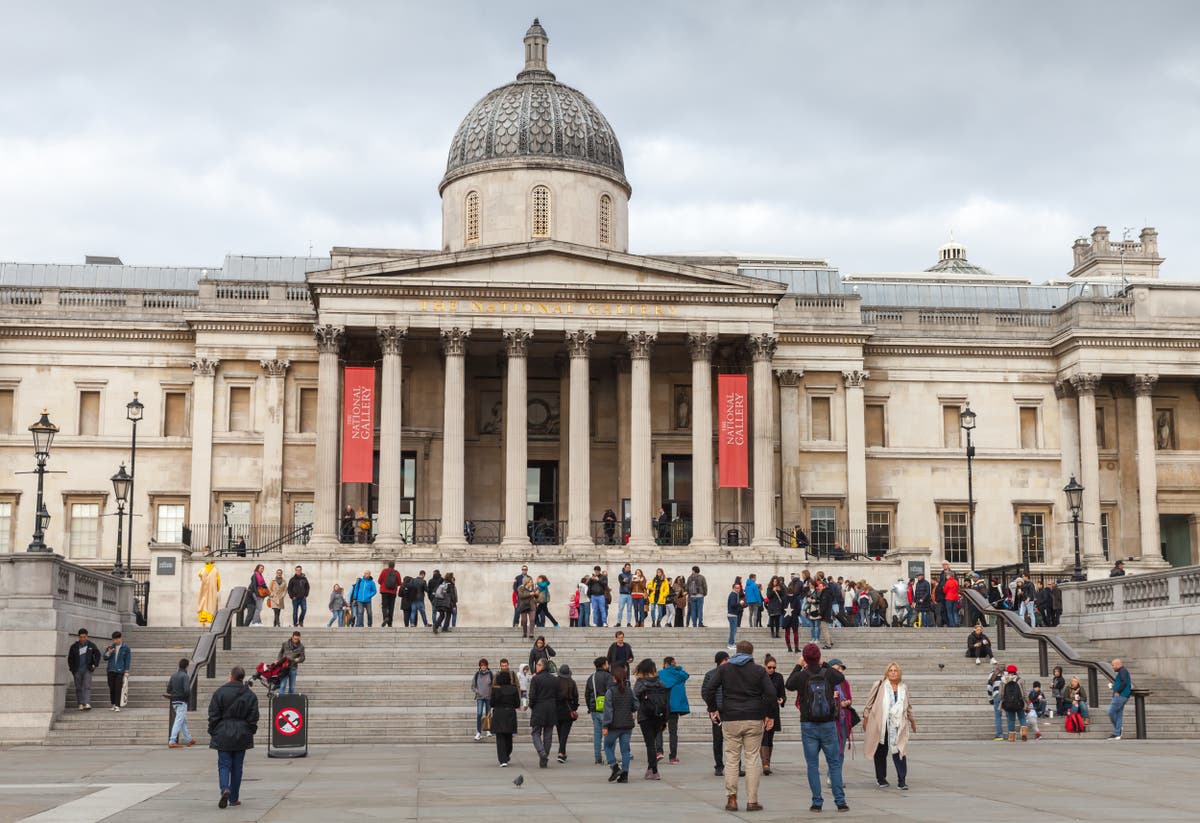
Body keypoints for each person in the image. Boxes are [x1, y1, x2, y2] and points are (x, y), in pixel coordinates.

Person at [703, 640, 775, 813]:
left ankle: (732, 799)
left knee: (732, 759)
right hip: (753, 717)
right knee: (751, 759)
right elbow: (771, 693)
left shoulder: (724, 669)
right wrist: (769, 715)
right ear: (751, 654)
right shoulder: (758, 670)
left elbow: (709, 690)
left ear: (736, 652)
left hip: (730, 717)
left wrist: (713, 709)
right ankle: (752, 801)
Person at [787, 644, 848, 811]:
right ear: (819, 656)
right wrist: (824, 663)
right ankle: (840, 802)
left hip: (808, 724)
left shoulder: (802, 675)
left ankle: (817, 802)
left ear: (805, 658)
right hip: (828, 723)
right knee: (834, 763)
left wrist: (799, 665)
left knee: (812, 765)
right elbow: (840, 677)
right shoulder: (828, 673)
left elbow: (789, 684)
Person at [208, 665, 259, 809]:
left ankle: (225, 789)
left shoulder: (219, 692)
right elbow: (253, 716)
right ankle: (234, 798)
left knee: (224, 764)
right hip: (242, 732)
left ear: (231, 676)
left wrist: (213, 730)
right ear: (242, 677)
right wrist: (250, 731)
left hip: (223, 731)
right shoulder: (250, 695)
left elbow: (213, 715)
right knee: (238, 767)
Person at [863, 661, 916, 791]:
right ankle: (881, 778)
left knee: (900, 751)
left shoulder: (904, 687)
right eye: (890, 670)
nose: (893, 673)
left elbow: (908, 706)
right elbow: (868, 704)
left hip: (898, 725)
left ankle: (902, 781)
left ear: (899, 673)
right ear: (887, 673)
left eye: (895, 670)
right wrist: (866, 718)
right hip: (882, 724)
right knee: (880, 752)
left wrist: (912, 720)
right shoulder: (879, 685)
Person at [631, 659, 668, 781]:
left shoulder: (640, 683)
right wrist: (665, 720)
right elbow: (666, 701)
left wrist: (633, 711)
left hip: (645, 716)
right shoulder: (660, 682)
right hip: (658, 716)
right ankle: (650, 769)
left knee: (650, 744)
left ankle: (654, 771)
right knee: (652, 742)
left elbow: (634, 697)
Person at [601, 664, 637, 783]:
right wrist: (631, 710)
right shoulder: (629, 690)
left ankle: (614, 766)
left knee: (607, 746)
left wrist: (605, 725)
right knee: (625, 750)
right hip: (627, 725)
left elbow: (608, 710)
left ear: (614, 678)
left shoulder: (610, 691)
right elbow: (636, 705)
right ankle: (625, 774)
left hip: (614, 725)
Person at [658, 656, 690, 764]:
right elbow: (686, 675)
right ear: (673, 663)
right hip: (674, 707)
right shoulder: (680, 674)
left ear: (665, 663)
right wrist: (677, 668)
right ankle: (673, 757)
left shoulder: (660, 673)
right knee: (673, 732)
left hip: (662, 706)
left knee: (659, 729)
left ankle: (659, 751)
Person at [527, 658, 558, 768]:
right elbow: (557, 695)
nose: (536, 666)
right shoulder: (554, 679)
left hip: (539, 708)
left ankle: (541, 752)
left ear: (543, 666)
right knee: (548, 734)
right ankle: (545, 754)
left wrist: (531, 705)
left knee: (535, 732)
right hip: (551, 708)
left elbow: (532, 696)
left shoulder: (536, 679)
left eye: (538, 665)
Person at [585, 656, 614, 765]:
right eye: (607, 663)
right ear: (603, 665)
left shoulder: (591, 677)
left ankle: (598, 758)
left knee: (597, 735)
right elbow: (612, 692)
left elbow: (587, 694)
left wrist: (590, 707)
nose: (608, 665)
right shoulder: (609, 677)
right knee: (609, 734)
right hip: (606, 709)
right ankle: (610, 757)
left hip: (595, 709)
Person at [761, 654, 786, 777]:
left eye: (774, 667)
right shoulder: (760, 676)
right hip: (762, 710)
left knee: (770, 737)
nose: (772, 670)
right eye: (769, 667)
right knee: (764, 736)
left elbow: (782, 693)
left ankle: (767, 763)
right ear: (765, 666)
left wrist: (782, 700)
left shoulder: (778, 677)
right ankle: (765, 764)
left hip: (774, 710)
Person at [490, 670, 520, 766]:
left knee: (500, 737)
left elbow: (492, 703)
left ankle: (503, 760)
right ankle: (507, 754)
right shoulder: (514, 689)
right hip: (510, 713)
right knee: (508, 736)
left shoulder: (495, 690)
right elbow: (517, 704)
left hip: (498, 713)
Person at [67, 628, 100, 711]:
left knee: (87, 686)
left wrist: (94, 664)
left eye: (84, 637)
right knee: (78, 688)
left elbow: (98, 654)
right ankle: (80, 703)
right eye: (81, 637)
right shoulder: (74, 646)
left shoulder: (91, 645)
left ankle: (87, 703)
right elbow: (70, 659)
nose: (82, 639)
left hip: (87, 670)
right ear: (79, 637)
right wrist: (72, 669)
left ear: (87, 636)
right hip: (77, 670)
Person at [829, 659, 854, 762]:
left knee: (841, 750)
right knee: (833, 750)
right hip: (832, 720)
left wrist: (847, 702)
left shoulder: (845, 683)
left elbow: (850, 698)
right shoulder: (828, 683)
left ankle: (836, 774)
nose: (840, 671)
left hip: (844, 720)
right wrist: (833, 698)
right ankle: (832, 774)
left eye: (841, 669)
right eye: (837, 668)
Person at [166, 657, 195, 747]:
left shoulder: (173, 675)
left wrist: (175, 693)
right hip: (182, 701)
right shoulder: (185, 676)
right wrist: (186, 696)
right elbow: (187, 690)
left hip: (174, 701)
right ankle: (172, 741)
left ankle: (188, 739)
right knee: (179, 720)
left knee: (182, 720)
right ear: (187, 666)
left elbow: (168, 689)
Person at [554, 664, 579, 762]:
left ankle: (562, 752)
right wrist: (574, 708)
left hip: (557, 710)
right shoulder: (572, 683)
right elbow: (576, 697)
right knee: (564, 733)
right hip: (568, 711)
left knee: (560, 732)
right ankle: (561, 753)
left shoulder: (555, 683)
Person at [102, 631, 131, 712]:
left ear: (120, 638)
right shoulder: (110, 647)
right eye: (114, 639)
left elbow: (127, 660)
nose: (115, 641)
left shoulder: (126, 648)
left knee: (118, 688)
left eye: (117, 639)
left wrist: (126, 671)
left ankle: (117, 705)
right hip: (110, 670)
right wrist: (109, 652)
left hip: (120, 671)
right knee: (111, 688)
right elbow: (104, 657)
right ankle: (113, 704)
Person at [999, 664, 1027, 741]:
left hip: (1008, 703)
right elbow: (1024, 693)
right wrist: (1027, 702)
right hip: (1019, 702)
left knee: (1011, 720)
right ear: (1015, 671)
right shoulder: (1020, 680)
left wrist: (1003, 700)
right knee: (1022, 717)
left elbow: (1000, 694)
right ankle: (1024, 732)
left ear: (1007, 672)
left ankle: (1011, 737)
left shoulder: (1003, 680)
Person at [1108, 658, 1132, 739]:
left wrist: (1118, 691)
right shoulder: (1122, 671)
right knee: (1118, 714)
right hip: (1122, 695)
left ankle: (1118, 729)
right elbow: (1123, 681)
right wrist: (1114, 686)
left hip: (1121, 695)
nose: (1112, 667)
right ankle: (1117, 733)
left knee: (1111, 712)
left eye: (1113, 665)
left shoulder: (1123, 671)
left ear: (1118, 664)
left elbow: (1124, 682)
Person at [472, 659, 493, 741]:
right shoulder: (477, 674)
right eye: (482, 665)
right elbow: (473, 686)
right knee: (479, 713)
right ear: (480, 666)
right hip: (480, 697)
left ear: (487, 666)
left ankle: (488, 730)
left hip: (488, 697)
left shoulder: (490, 674)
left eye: (485, 665)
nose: (483, 667)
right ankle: (478, 732)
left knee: (488, 714)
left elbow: (493, 684)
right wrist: (477, 691)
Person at [378, 561, 402, 627]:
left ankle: (385, 617)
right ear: (394, 566)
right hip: (393, 592)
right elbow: (400, 583)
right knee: (391, 607)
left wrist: (383, 584)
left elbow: (379, 581)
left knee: (384, 606)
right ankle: (390, 623)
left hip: (384, 591)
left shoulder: (384, 571)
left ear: (388, 565)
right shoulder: (397, 573)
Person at [986, 661, 1006, 740]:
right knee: (1009, 715)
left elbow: (989, 687)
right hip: (1007, 696)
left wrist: (990, 698)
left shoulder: (992, 674)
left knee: (998, 716)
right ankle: (1011, 733)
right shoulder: (1008, 674)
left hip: (997, 695)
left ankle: (1000, 735)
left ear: (997, 666)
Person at [197, 560, 221, 625]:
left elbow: (199, 574)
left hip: (204, 589)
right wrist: (217, 588)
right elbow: (218, 582)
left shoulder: (203, 569)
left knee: (203, 603)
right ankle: (210, 618)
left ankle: (203, 620)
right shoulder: (215, 570)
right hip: (212, 589)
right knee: (211, 604)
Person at [782, 578, 802, 654]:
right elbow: (799, 608)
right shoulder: (796, 599)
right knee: (795, 633)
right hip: (794, 617)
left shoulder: (784, 599)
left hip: (786, 617)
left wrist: (784, 614)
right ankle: (796, 648)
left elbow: (781, 609)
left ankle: (789, 647)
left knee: (787, 633)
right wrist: (796, 614)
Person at [726, 582, 746, 650]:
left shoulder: (735, 594)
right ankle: (730, 644)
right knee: (733, 630)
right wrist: (739, 603)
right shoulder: (733, 595)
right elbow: (732, 604)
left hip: (733, 615)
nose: (738, 589)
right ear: (733, 588)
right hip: (732, 615)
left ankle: (732, 643)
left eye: (739, 588)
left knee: (734, 630)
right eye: (736, 588)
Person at [817, 577, 835, 649]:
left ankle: (828, 645)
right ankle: (830, 641)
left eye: (821, 586)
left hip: (825, 614)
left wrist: (820, 614)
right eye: (819, 586)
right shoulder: (828, 592)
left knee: (825, 629)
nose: (819, 587)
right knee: (824, 628)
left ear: (824, 586)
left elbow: (823, 606)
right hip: (827, 613)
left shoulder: (825, 593)